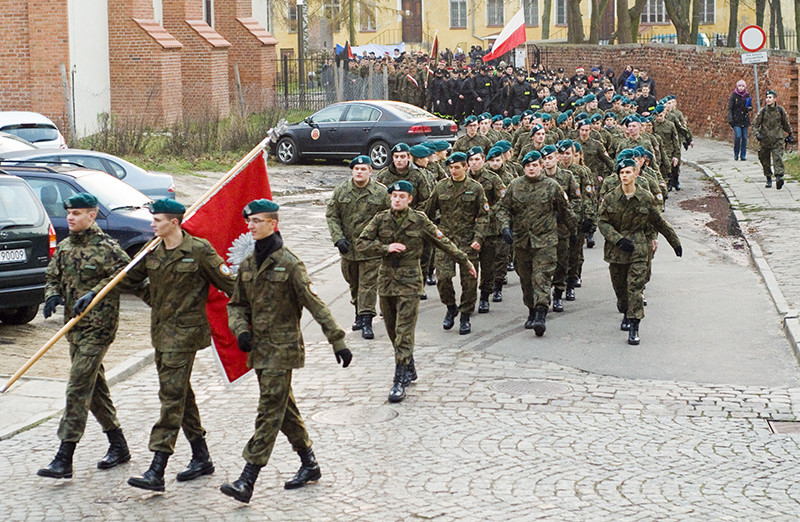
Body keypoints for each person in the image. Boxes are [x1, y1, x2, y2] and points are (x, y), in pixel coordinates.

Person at [222, 199, 351, 504]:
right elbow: (236, 304)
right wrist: (240, 329)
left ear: (273, 224)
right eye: (249, 222)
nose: (250, 226)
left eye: (256, 221)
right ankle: (309, 464)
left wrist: (338, 340)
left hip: (283, 350)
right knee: (284, 410)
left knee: (269, 411)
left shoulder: (289, 263)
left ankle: (247, 479)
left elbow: (316, 303)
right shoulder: (250, 264)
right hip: (259, 351)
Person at [122, 199, 235, 492]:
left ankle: (156, 469)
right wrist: (96, 291)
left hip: (185, 336)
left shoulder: (198, 251)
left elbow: (231, 286)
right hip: (161, 334)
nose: (152, 224)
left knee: (171, 398)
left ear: (174, 222)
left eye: (157, 220)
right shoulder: (153, 251)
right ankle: (201, 457)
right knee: (181, 395)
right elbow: (127, 281)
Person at [38, 193, 134, 479]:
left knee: (78, 386)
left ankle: (64, 457)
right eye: (68, 212)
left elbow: (128, 275)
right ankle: (119, 445)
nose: (70, 217)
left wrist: (96, 291)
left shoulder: (108, 248)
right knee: (94, 390)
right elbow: (52, 276)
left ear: (92, 216)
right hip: (74, 329)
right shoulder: (66, 246)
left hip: (99, 328)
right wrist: (53, 295)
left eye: (77, 213)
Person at [357, 181, 476, 403]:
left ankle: (399, 378)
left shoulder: (419, 219)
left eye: (402, 196)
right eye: (394, 196)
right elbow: (361, 243)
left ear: (410, 199)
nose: (397, 199)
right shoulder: (380, 219)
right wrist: (385, 248)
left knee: (403, 330)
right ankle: (408, 363)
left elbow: (443, 242)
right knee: (392, 329)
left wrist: (464, 260)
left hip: (410, 280)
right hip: (386, 280)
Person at [597, 159, 682, 345]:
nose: (625, 176)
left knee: (635, 288)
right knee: (621, 289)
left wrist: (674, 242)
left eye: (628, 172)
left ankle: (634, 325)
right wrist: (617, 239)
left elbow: (658, 221)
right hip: (617, 250)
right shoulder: (611, 198)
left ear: (635, 174)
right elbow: (602, 222)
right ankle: (625, 309)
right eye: (622, 173)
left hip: (638, 248)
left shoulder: (645, 197)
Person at [495, 151, 577, 336]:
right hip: (522, 241)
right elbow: (503, 209)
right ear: (524, 168)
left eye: (535, 165)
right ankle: (531, 309)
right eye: (528, 166)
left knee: (542, 276)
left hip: (545, 240)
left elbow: (565, 210)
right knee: (526, 278)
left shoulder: (552, 186)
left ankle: (541, 313)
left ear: (541, 166)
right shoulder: (515, 186)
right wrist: (505, 228)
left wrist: (574, 230)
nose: (531, 168)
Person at [327, 155, 390, 340]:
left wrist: (383, 243)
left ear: (370, 171)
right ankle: (358, 312)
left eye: (364, 169)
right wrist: (338, 238)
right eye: (357, 169)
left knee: (368, 285)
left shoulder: (380, 192)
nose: (360, 172)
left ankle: (367, 320)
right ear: (352, 171)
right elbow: (332, 216)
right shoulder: (341, 191)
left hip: (371, 250)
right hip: (348, 249)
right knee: (353, 284)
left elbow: (389, 219)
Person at [425, 152, 488, 334]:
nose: (453, 171)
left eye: (457, 167)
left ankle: (466, 315)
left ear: (465, 167)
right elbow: (428, 213)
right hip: (445, 241)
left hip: (468, 241)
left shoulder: (475, 188)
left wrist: (478, 238)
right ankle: (451, 307)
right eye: (451, 168)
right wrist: (431, 233)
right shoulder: (441, 187)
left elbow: (484, 216)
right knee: (443, 278)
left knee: (469, 280)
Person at [753, 90, 793, 189]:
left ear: (775, 99)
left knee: (777, 158)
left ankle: (779, 177)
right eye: (767, 97)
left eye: (770, 97)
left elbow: (785, 124)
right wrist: (757, 134)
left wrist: (790, 134)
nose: (768, 99)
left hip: (777, 139)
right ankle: (768, 177)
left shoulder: (780, 110)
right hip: (765, 139)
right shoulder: (763, 111)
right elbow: (755, 125)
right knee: (764, 159)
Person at [727, 80, 753, 161]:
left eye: (742, 86)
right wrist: (730, 119)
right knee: (738, 136)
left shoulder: (747, 95)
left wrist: (749, 108)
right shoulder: (734, 96)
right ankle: (736, 153)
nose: (741, 88)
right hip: (736, 120)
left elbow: (750, 106)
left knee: (744, 138)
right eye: (739, 86)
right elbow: (730, 108)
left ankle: (743, 155)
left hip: (744, 120)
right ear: (737, 87)